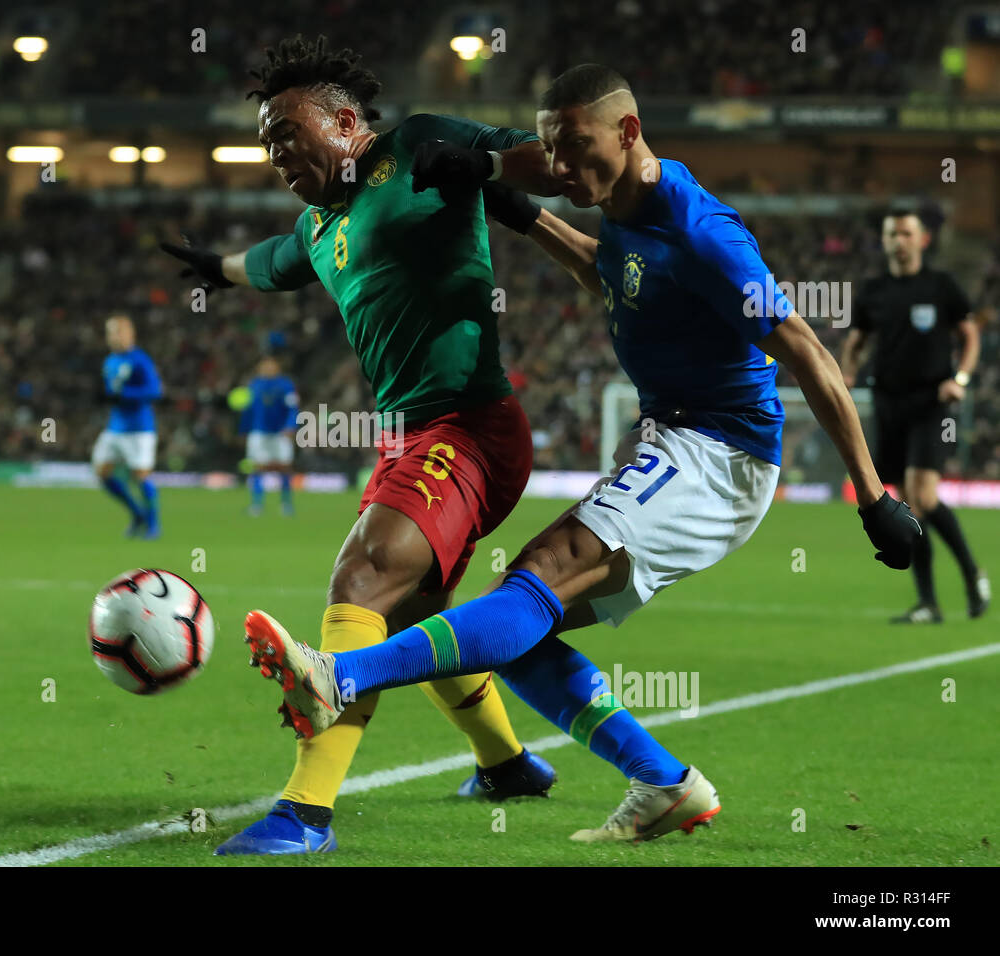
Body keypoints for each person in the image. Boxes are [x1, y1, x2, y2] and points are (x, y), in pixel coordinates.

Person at [245, 64, 923, 844]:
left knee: (535, 582)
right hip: (678, 440)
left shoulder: (702, 234)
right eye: (549, 151)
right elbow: (605, 271)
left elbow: (807, 351)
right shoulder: (626, 209)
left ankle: (340, 675)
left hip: (718, 452)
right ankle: (663, 783)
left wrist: (873, 498)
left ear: (629, 132)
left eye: (574, 147)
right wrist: (522, 212)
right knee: (521, 629)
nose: (561, 168)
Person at [162, 35, 562, 855]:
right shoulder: (318, 227)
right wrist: (217, 267)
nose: (274, 154)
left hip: (470, 424)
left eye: (286, 135)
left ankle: (306, 811)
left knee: (364, 576)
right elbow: (272, 261)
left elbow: (549, 164)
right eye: (265, 144)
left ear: (346, 121)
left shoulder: (414, 144)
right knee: (417, 612)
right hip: (406, 436)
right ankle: (509, 765)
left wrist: (482, 169)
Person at [841, 210, 989, 622]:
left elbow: (970, 334)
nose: (898, 240)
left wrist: (959, 376)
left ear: (922, 239)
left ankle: (971, 573)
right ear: (885, 240)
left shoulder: (941, 286)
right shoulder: (873, 291)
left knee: (921, 497)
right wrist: (847, 373)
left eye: (906, 233)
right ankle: (928, 603)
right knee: (911, 504)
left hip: (931, 405)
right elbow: (856, 340)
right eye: (891, 233)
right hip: (890, 404)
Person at [93, 314, 162, 539]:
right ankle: (137, 514)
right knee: (102, 473)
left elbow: (155, 391)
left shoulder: (140, 360)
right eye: (110, 332)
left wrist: (125, 394)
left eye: (118, 331)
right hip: (115, 427)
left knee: (140, 476)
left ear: (130, 334)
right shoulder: (109, 361)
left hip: (139, 428)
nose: (114, 337)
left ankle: (153, 525)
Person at [241, 355, 298, 516]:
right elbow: (249, 410)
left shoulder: (285, 385)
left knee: (285, 467)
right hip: (259, 431)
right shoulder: (254, 385)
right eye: (264, 366)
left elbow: (293, 408)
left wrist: (290, 426)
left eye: (270, 365)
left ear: (277, 368)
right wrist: (244, 430)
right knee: (257, 467)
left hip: (280, 432)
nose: (267, 368)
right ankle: (256, 505)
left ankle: (286, 504)